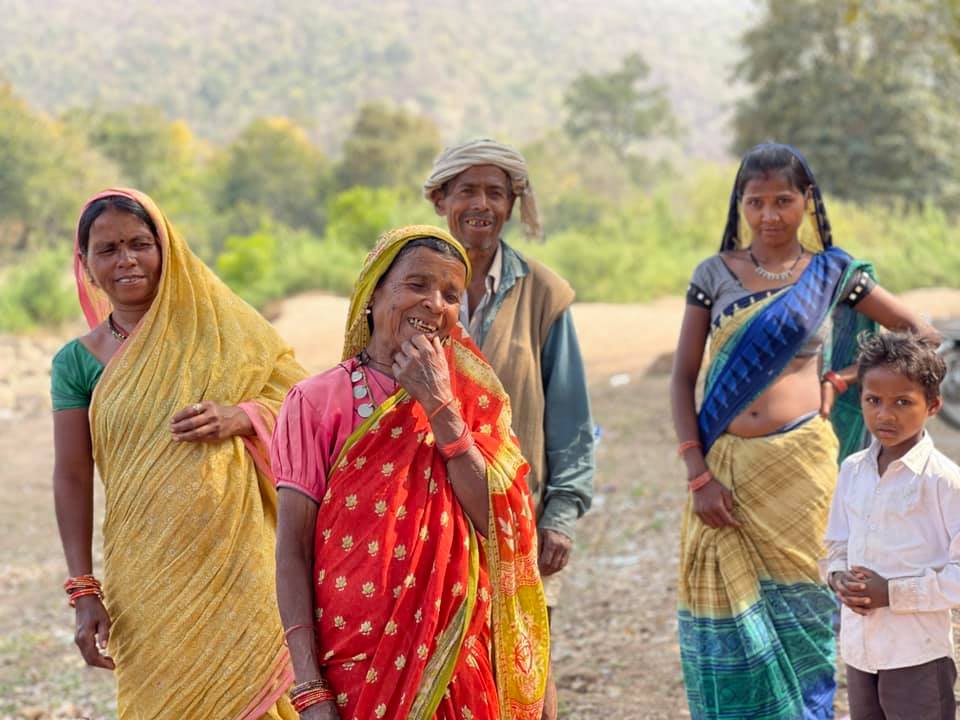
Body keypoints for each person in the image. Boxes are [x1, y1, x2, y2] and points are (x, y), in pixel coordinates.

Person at [670, 143, 939, 719]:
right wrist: (698, 474)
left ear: (807, 201)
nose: (770, 215)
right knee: (729, 620)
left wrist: (842, 378)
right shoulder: (713, 274)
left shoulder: (833, 272)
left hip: (802, 469)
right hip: (727, 468)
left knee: (808, 611)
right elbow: (682, 378)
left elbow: (920, 332)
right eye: (756, 201)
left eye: (784, 200)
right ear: (740, 204)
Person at [272, 225, 548, 720]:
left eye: (450, 295)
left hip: (457, 647)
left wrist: (440, 405)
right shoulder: (314, 401)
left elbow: (501, 524)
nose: (434, 304)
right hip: (354, 660)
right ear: (373, 292)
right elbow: (292, 548)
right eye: (416, 285)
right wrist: (310, 687)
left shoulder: (471, 399)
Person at [51, 189, 306, 719]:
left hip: (241, 563)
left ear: (167, 250)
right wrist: (82, 591)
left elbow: (305, 404)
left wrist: (243, 416)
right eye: (108, 249)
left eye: (141, 244)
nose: (126, 260)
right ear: (86, 264)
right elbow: (73, 475)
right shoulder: (76, 363)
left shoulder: (222, 334)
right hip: (143, 575)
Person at [423, 139, 595, 718]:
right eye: (466, 190)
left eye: (495, 192)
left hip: (514, 514)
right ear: (440, 197)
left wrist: (561, 515)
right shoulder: (407, 284)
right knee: (436, 668)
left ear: (512, 202)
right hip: (425, 514)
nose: (481, 204)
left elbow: (570, 417)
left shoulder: (543, 293)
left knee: (521, 665)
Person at [824, 333, 958, 720]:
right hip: (861, 650)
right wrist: (838, 578)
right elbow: (836, 544)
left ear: (932, 405)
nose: (885, 415)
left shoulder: (944, 481)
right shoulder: (852, 470)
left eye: (903, 402)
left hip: (916, 652)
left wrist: (893, 593)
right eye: (873, 401)